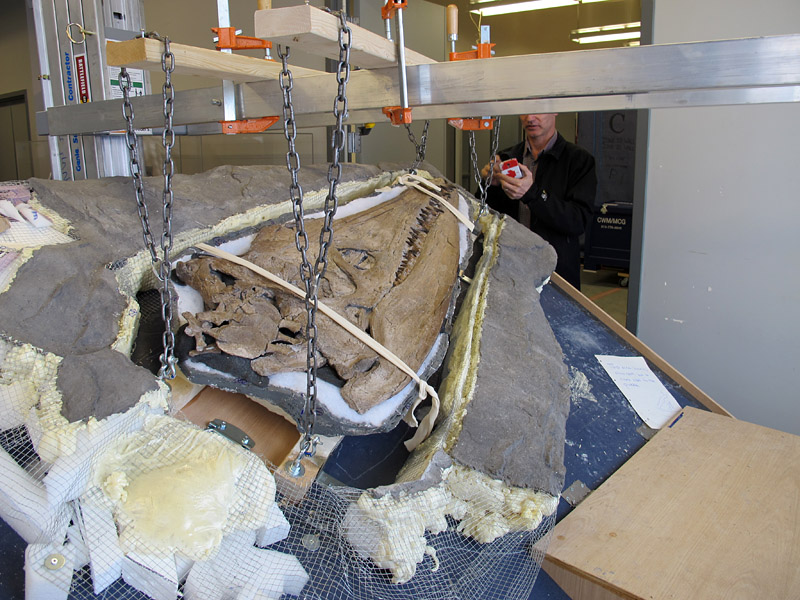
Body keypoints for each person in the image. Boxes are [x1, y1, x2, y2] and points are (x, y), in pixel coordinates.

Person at [483, 113, 596, 290]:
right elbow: (487, 216)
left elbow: (577, 221)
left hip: (556, 276)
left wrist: (533, 194)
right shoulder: (508, 158)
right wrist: (490, 185)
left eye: (538, 110)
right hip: (510, 272)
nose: (530, 118)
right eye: (524, 110)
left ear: (555, 110)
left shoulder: (579, 161)